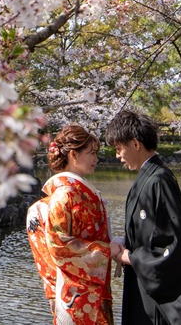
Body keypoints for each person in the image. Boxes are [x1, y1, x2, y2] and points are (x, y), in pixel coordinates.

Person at [106, 110, 181, 325]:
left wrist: (128, 257)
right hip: (143, 286)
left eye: (119, 149)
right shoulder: (150, 177)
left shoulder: (158, 180)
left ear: (135, 144)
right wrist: (124, 241)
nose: (117, 156)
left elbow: (173, 245)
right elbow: (149, 232)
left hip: (157, 299)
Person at [26, 124, 116, 325]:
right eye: (91, 153)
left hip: (88, 288)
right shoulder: (65, 195)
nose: (96, 159)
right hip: (76, 292)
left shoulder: (74, 192)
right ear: (73, 155)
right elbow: (60, 246)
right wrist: (107, 250)